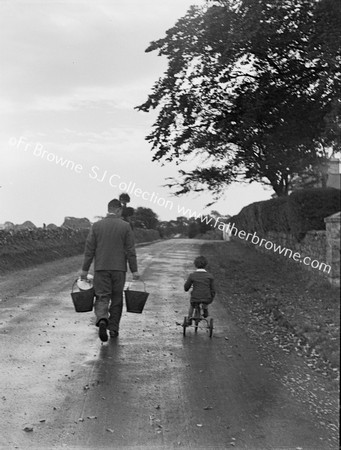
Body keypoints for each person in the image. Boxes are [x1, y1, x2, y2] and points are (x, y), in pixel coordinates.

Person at [80, 199, 140, 342]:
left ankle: (102, 319)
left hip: (101, 268)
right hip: (119, 269)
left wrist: (84, 269)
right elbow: (130, 250)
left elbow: (89, 249)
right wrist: (134, 270)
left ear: (108, 209)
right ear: (118, 210)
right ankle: (113, 328)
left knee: (102, 296)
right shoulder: (125, 226)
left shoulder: (96, 226)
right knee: (117, 298)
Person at [184, 256, 215, 323]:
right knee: (206, 299)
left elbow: (186, 287)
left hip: (195, 297)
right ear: (206, 265)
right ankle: (205, 309)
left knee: (192, 304)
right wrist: (211, 297)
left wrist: (187, 288)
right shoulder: (210, 276)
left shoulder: (192, 275)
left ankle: (189, 318)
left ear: (195, 264)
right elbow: (213, 290)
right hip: (206, 298)